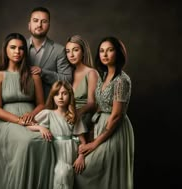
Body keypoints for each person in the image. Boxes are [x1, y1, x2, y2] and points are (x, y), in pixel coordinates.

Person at [0, 33, 55, 189]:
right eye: (12, 48)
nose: (17, 52)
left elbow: (41, 104)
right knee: (28, 142)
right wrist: (20, 121)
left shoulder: (33, 76)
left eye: (21, 48)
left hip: (32, 118)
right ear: (5, 50)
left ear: (25, 51)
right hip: (7, 122)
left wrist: (30, 116)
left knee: (45, 141)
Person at [74, 36, 134, 189]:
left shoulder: (121, 80)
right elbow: (98, 107)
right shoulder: (103, 76)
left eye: (110, 50)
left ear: (118, 53)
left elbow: (116, 116)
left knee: (89, 170)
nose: (105, 54)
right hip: (100, 126)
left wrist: (94, 144)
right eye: (102, 51)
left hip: (115, 130)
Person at [27, 81, 87, 189]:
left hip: (72, 154)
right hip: (57, 154)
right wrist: (41, 128)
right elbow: (29, 126)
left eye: (64, 93)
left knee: (68, 176)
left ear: (70, 95)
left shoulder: (74, 116)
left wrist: (81, 156)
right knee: (61, 174)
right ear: (52, 96)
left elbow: (82, 141)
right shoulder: (48, 114)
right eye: (57, 94)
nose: (60, 97)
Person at [27, 6, 73, 100]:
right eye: (35, 20)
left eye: (44, 21)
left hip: (49, 105)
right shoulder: (19, 48)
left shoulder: (59, 50)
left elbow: (67, 80)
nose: (39, 25)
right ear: (29, 25)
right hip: (25, 104)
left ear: (49, 25)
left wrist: (43, 72)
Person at [65, 35, 98, 142]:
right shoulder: (68, 73)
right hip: (69, 114)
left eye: (75, 50)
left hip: (84, 116)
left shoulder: (91, 73)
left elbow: (92, 103)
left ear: (83, 52)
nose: (71, 54)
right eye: (68, 51)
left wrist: (76, 113)